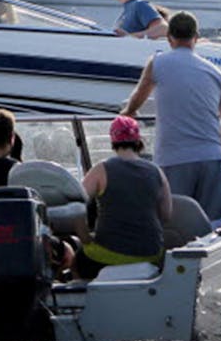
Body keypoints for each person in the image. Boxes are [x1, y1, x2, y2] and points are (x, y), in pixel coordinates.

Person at [122, 12, 221, 226]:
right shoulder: (215, 72)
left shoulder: (157, 63)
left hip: (174, 159)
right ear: (196, 37)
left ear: (169, 38)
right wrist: (217, 149)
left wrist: (128, 112)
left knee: (173, 226)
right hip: (211, 159)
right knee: (215, 227)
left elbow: (139, 96)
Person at [73, 115, 172, 280]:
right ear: (138, 140)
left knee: (77, 262)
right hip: (151, 255)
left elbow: (75, 208)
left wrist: (85, 238)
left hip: (108, 255)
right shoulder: (157, 172)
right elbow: (166, 215)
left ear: (113, 140)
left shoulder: (101, 170)